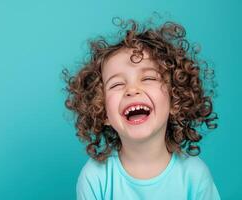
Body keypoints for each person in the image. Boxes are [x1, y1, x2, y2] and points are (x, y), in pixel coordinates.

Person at [63, 17, 220, 200]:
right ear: (102, 111)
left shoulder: (194, 175)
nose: (132, 90)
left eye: (148, 78)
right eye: (116, 84)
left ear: (175, 99)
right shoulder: (94, 177)